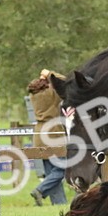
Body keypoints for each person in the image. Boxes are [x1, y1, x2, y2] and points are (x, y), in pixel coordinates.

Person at [27, 69, 68, 206]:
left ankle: (59, 204)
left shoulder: (33, 95)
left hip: (39, 135)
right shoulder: (52, 95)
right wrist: (49, 73)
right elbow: (65, 81)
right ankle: (40, 190)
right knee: (63, 168)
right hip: (53, 133)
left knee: (51, 173)